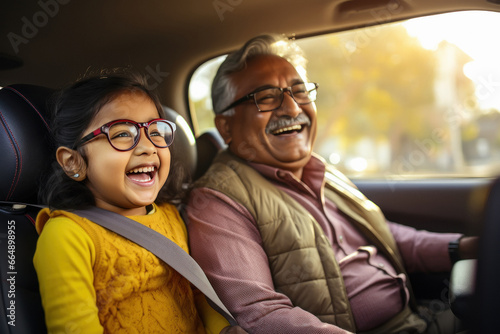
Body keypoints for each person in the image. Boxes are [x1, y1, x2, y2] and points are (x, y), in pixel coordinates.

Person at [186, 35, 478, 334]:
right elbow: (259, 314)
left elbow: (383, 235)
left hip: (418, 319)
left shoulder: (320, 169)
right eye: (267, 97)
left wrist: (464, 247)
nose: (291, 108)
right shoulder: (217, 200)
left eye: (299, 92)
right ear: (226, 126)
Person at [33, 72, 244, 333]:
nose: (148, 147)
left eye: (156, 131)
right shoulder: (66, 236)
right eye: (122, 133)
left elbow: (196, 295)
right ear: (73, 162)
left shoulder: (170, 216)